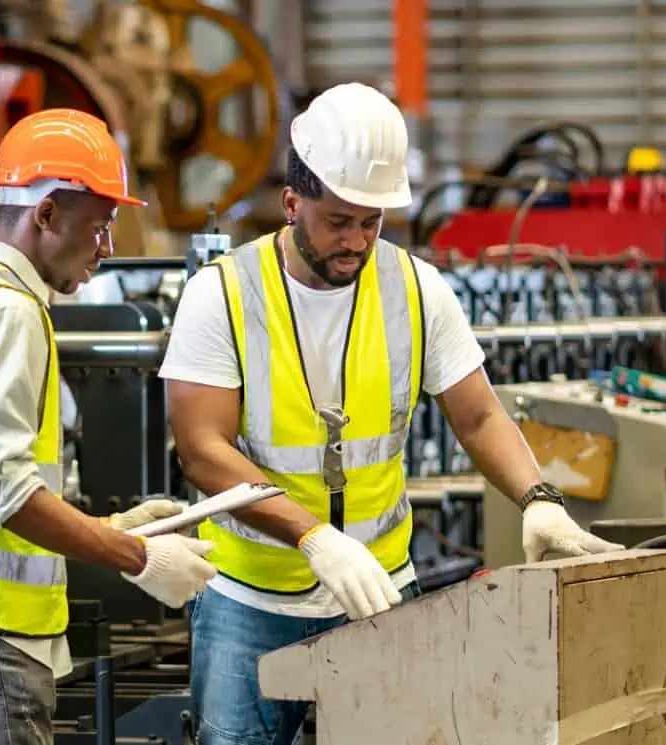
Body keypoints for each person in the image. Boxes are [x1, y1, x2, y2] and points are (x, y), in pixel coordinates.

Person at [159, 82, 626, 745]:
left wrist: (539, 497)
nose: (356, 241)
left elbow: (479, 416)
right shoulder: (223, 295)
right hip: (250, 599)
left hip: (379, 593)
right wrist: (311, 537)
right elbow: (203, 447)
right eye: (338, 221)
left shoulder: (414, 287)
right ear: (292, 203)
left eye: (372, 222)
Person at [0, 108, 220, 745]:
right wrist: (138, 557)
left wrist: (104, 528)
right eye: (100, 227)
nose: (107, 250)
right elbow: (4, 490)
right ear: (47, 214)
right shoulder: (8, 311)